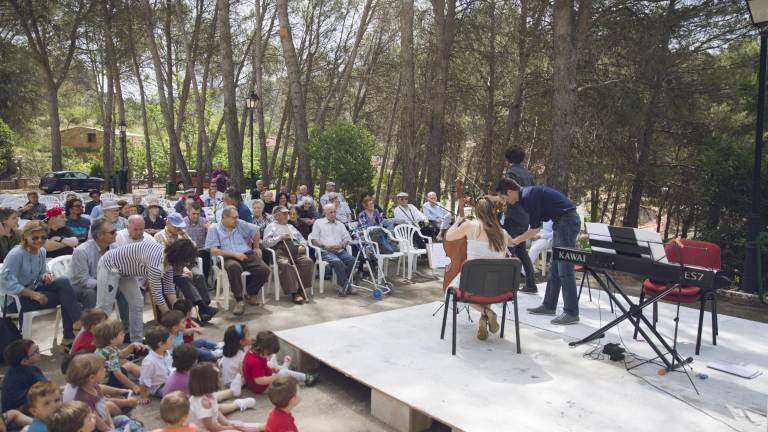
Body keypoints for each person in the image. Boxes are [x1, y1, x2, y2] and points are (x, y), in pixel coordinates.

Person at [496, 177, 582, 325]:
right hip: (561, 222)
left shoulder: (528, 197)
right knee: (555, 266)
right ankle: (549, 305)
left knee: (565, 267)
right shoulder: (525, 197)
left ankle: (571, 312)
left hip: (567, 221)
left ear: (510, 192)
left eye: (503, 198)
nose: (504, 202)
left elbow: (536, 229)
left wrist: (515, 240)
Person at [445, 196, 517, 340]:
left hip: (471, 284)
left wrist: (458, 222)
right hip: (498, 287)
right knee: (488, 280)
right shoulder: (503, 233)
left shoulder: (470, 226)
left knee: (450, 292)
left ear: (477, 212)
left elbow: (448, 236)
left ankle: (486, 312)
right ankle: (483, 320)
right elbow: (512, 244)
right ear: (493, 212)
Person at [0, 221, 82, 345]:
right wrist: (33, 294)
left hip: (35, 289)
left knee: (64, 283)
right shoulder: (16, 254)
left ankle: (74, 325)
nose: (40, 240)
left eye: (44, 237)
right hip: (16, 299)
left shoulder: (41, 251)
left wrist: (47, 275)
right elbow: (6, 281)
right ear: (25, 237)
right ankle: (71, 331)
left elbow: (43, 272)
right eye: (35, 237)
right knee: (67, 297)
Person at [95, 240, 194, 342]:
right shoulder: (156, 263)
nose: (184, 265)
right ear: (178, 257)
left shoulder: (169, 259)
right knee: (103, 309)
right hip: (110, 266)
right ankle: (91, 343)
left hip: (125, 271)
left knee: (137, 302)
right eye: (184, 261)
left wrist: (179, 309)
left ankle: (137, 342)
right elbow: (157, 295)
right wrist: (173, 319)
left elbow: (169, 288)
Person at [204, 205, 270, 315]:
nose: (236, 220)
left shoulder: (239, 223)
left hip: (245, 252)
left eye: (237, 217)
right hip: (227, 256)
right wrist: (234, 254)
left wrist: (257, 247)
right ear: (225, 217)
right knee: (234, 267)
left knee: (264, 269)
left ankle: (250, 292)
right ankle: (239, 300)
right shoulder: (214, 228)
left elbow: (256, 230)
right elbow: (213, 251)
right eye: (234, 217)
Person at [70, 220, 131, 331]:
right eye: (112, 232)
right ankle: (97, 331)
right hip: (79, 287)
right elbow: (83, 280)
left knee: (125, 289)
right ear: (100, 235)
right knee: (91, 294)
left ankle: (128, 329)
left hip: (103, 283)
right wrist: (105, 283)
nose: (116, 234)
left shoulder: (114, 247)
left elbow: (116, 269)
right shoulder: (82, 251)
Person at [154, 215, 217, 321]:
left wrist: (185, 236)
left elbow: (193, 248)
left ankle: (203, 309)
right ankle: (203, 308)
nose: (179, 229)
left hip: (185, 263)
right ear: (168, 224)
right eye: (176, 227)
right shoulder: (159, 236)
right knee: (184, 279)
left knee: (199, 275)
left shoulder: (181, 234)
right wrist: (183, 269)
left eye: (180, 227)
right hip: (169, 267)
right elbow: (166, 259)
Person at [65, 353, 143, 431]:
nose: (105, 370)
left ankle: (134, 426)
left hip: (105, 420)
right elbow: (97, 420)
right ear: (92, 377)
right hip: (95, 428)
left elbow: (104, 406)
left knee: (123, 418)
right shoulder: (84, 398)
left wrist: (110, 422)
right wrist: (108, 429)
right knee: (128, 427)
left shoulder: (95, 387)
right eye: (102, 369)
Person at [501, 147, 538, 294]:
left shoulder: (511, 173)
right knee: (522, 252)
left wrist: (504, 203)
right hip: (525, 217)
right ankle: (531, 284)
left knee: (509, 250)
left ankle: (508, 287)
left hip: (514, 216)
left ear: (508, 159)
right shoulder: (527, 174)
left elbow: (508, 193)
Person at [262, 206, 313, 304]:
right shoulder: (271, 226)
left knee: (308, 262)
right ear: (276, 216)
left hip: (295, 250)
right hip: (280, 251)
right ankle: (294, 293)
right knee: (285, 265)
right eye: (284, 214)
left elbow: (302, 239)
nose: (287, 215)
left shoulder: (291, 226)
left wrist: (302, 245)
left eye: (287, 213)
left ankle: (301, 289)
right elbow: (265, 243)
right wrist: (279, 238)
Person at [242, 331, 317, 396]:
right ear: (263, 348)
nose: (269, 355)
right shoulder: (255, 362)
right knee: (284, 374)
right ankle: (306, 378)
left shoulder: (252, 353)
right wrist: (275, 377)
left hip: (258, 384)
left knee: (281, 372)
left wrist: (272, 370)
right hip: (261, 388)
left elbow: (260, 368)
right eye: (268, 353)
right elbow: (259, 380)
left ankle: (285, 369)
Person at [187, 363, 259, 431]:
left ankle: (238, 404)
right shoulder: (204, 402)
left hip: (213, 426)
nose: (219, 380)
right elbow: (211, 427)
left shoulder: (208, 395)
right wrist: (229, 428)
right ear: (208, 382)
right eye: (217, 378)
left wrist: (228, 423)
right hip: (206, 430)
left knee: (238, 426)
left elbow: (216, 411)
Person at [311, 204, 355, 296]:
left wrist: (342, 245)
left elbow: (347, 238)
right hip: (324, 251)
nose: (333, 214)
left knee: (351, 260)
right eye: (331, 212)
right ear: (325, 213)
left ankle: (342, 283)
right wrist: (324, 246)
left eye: (334, 212)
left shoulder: (340, 224)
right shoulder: (318, 223)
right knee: (337, 262)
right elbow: (314, 240)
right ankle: (346, 286)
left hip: (339, 250)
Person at [93, 320, 144, 396]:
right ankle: (149, 376)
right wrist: (134, 386)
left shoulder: (104, 348)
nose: (123, 334)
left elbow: (121, 355)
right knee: (128, 365)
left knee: (127, 364)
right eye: (121, 333)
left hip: (101, 380)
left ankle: (146, 376)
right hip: (108, 382)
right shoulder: (110, 352)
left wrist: (131, 346)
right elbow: (117, 373)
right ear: (112, 338)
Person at [1, 340, 48, 413]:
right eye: (36, 352)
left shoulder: (11, 371)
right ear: (24, 361)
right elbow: (48, 389)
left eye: (38, 348)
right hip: (23, 412)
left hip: (7, 412)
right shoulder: (31, 371)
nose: (39, 352)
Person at [140, 327, 173, 397]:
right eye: (170, 339)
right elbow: (143, 379)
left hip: (169, 380)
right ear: (160, 344)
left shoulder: (166, 353)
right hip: (158, 387)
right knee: (173, 395)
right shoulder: (149, 361)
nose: (172, 341)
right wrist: (143, 396)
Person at [184, 202, 212, 284]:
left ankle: (205, 281)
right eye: (193, 214)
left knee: (206, 254)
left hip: (201, 248)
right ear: (188, 212)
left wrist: (209, 230)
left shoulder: (204, 221)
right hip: (188, 249)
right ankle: (191, 280)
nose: (196, 216)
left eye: (198, 214)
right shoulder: (183, 223)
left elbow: (212, 237)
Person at [219, 324, 250, 389]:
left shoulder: (227, 350)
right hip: (236, 384)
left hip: (226, 381)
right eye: (248, 335)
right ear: (241, 342)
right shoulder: (241, 356)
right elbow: (245, 374)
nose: (250, 337)